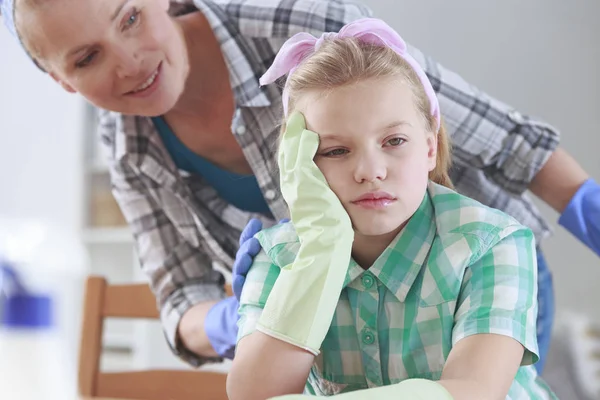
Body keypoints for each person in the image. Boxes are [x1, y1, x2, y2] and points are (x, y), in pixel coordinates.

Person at [1, 0, 597, 373]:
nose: (129, 61)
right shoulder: (129, 153)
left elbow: (509, 143)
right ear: (62, 81)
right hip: (334, 325)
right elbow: (181, 302)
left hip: (464, 285)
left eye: (129, 16)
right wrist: (241, 319)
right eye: (86, 58)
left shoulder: (293, 27)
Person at [227, 18, 557, 400]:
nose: (370, 171)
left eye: (394, 140)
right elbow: (253, 395)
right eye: (336, 150)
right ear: (299, 163)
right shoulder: (278, 257)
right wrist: (320, 252)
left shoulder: (491, 244)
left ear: (430, 147)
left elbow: (472, 391)